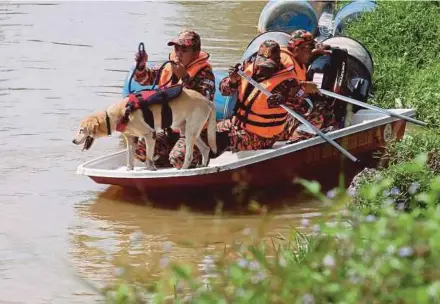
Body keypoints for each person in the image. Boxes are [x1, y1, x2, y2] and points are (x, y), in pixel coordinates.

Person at [132, 30, 216, 168]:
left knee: (179, 159)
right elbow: (145, 78)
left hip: (193, 132)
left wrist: (185, 78)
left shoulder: (205, 74)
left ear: (196, 53)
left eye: (184, 49)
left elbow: (203, 100)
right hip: (167, 128)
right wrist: (141, 66)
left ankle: (196, 157)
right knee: (140, 149)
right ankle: (165, 156)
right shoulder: (168, 66)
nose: (178, 53)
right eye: (176, 48)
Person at [217, 40, 313, 153]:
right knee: (202, 132)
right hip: (236, 124)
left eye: (268, 66)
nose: (263, 69)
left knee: (219, 141)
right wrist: (232, 81)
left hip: (260, 136)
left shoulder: (288, 82)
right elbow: (224, 91)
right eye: (261, 65)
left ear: (277, 62)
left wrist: (285, 100)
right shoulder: (248, 67)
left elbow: (304, 108)